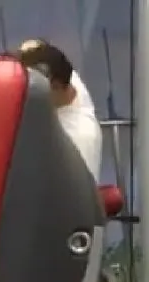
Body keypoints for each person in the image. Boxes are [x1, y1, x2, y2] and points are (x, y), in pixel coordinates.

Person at [15, 39, 102, 181]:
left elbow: (75, 192)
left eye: (32, 90)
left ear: (56, 86)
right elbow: (39, 47)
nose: (26, 95)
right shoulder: (67, 77)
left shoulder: (80, 137)